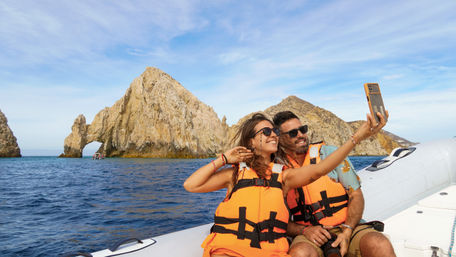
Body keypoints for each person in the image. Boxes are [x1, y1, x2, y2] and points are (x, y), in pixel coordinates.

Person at [184, 111, 387, 257]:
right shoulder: (235, 174)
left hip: (270, 252)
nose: (272, 134)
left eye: (273, 131)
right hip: (230, 250)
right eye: (265, 132)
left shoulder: (284, 177)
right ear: (252, 142)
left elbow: (320, 169)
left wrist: (357, 138)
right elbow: (191, 185)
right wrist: (223, 159)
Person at [272, 111, 395, 257]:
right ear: (279, 138)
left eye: (303, 129)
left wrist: (348, 230)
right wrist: (303, 230)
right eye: (293, 133)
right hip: (308, 233)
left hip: (348, 227)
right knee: (300, 253)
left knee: (379, 243)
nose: (301, 135)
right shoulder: (277, 171)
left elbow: (355, 194)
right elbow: (276, 219)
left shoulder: (330, 154)